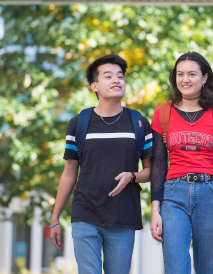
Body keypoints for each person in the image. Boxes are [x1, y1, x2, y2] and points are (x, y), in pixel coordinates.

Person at [49, 54, 153, 274]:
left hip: (123, 215)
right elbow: (69, 174)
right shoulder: (79, 123)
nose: (116, 80)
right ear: (94, 86)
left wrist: (132, 176)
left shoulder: (139, 122)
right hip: (85, 213)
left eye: (120, 76)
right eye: (108, 76)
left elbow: (151, 171)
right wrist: (54, 218)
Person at [149, 52, 213, 274]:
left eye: (192, 74)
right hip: (174, 195)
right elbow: (159, 165)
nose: (185, 79)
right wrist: (155, 209)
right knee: (175, 267)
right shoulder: (163, 113)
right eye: (180, 74)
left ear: (204, 77)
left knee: (208, 269)